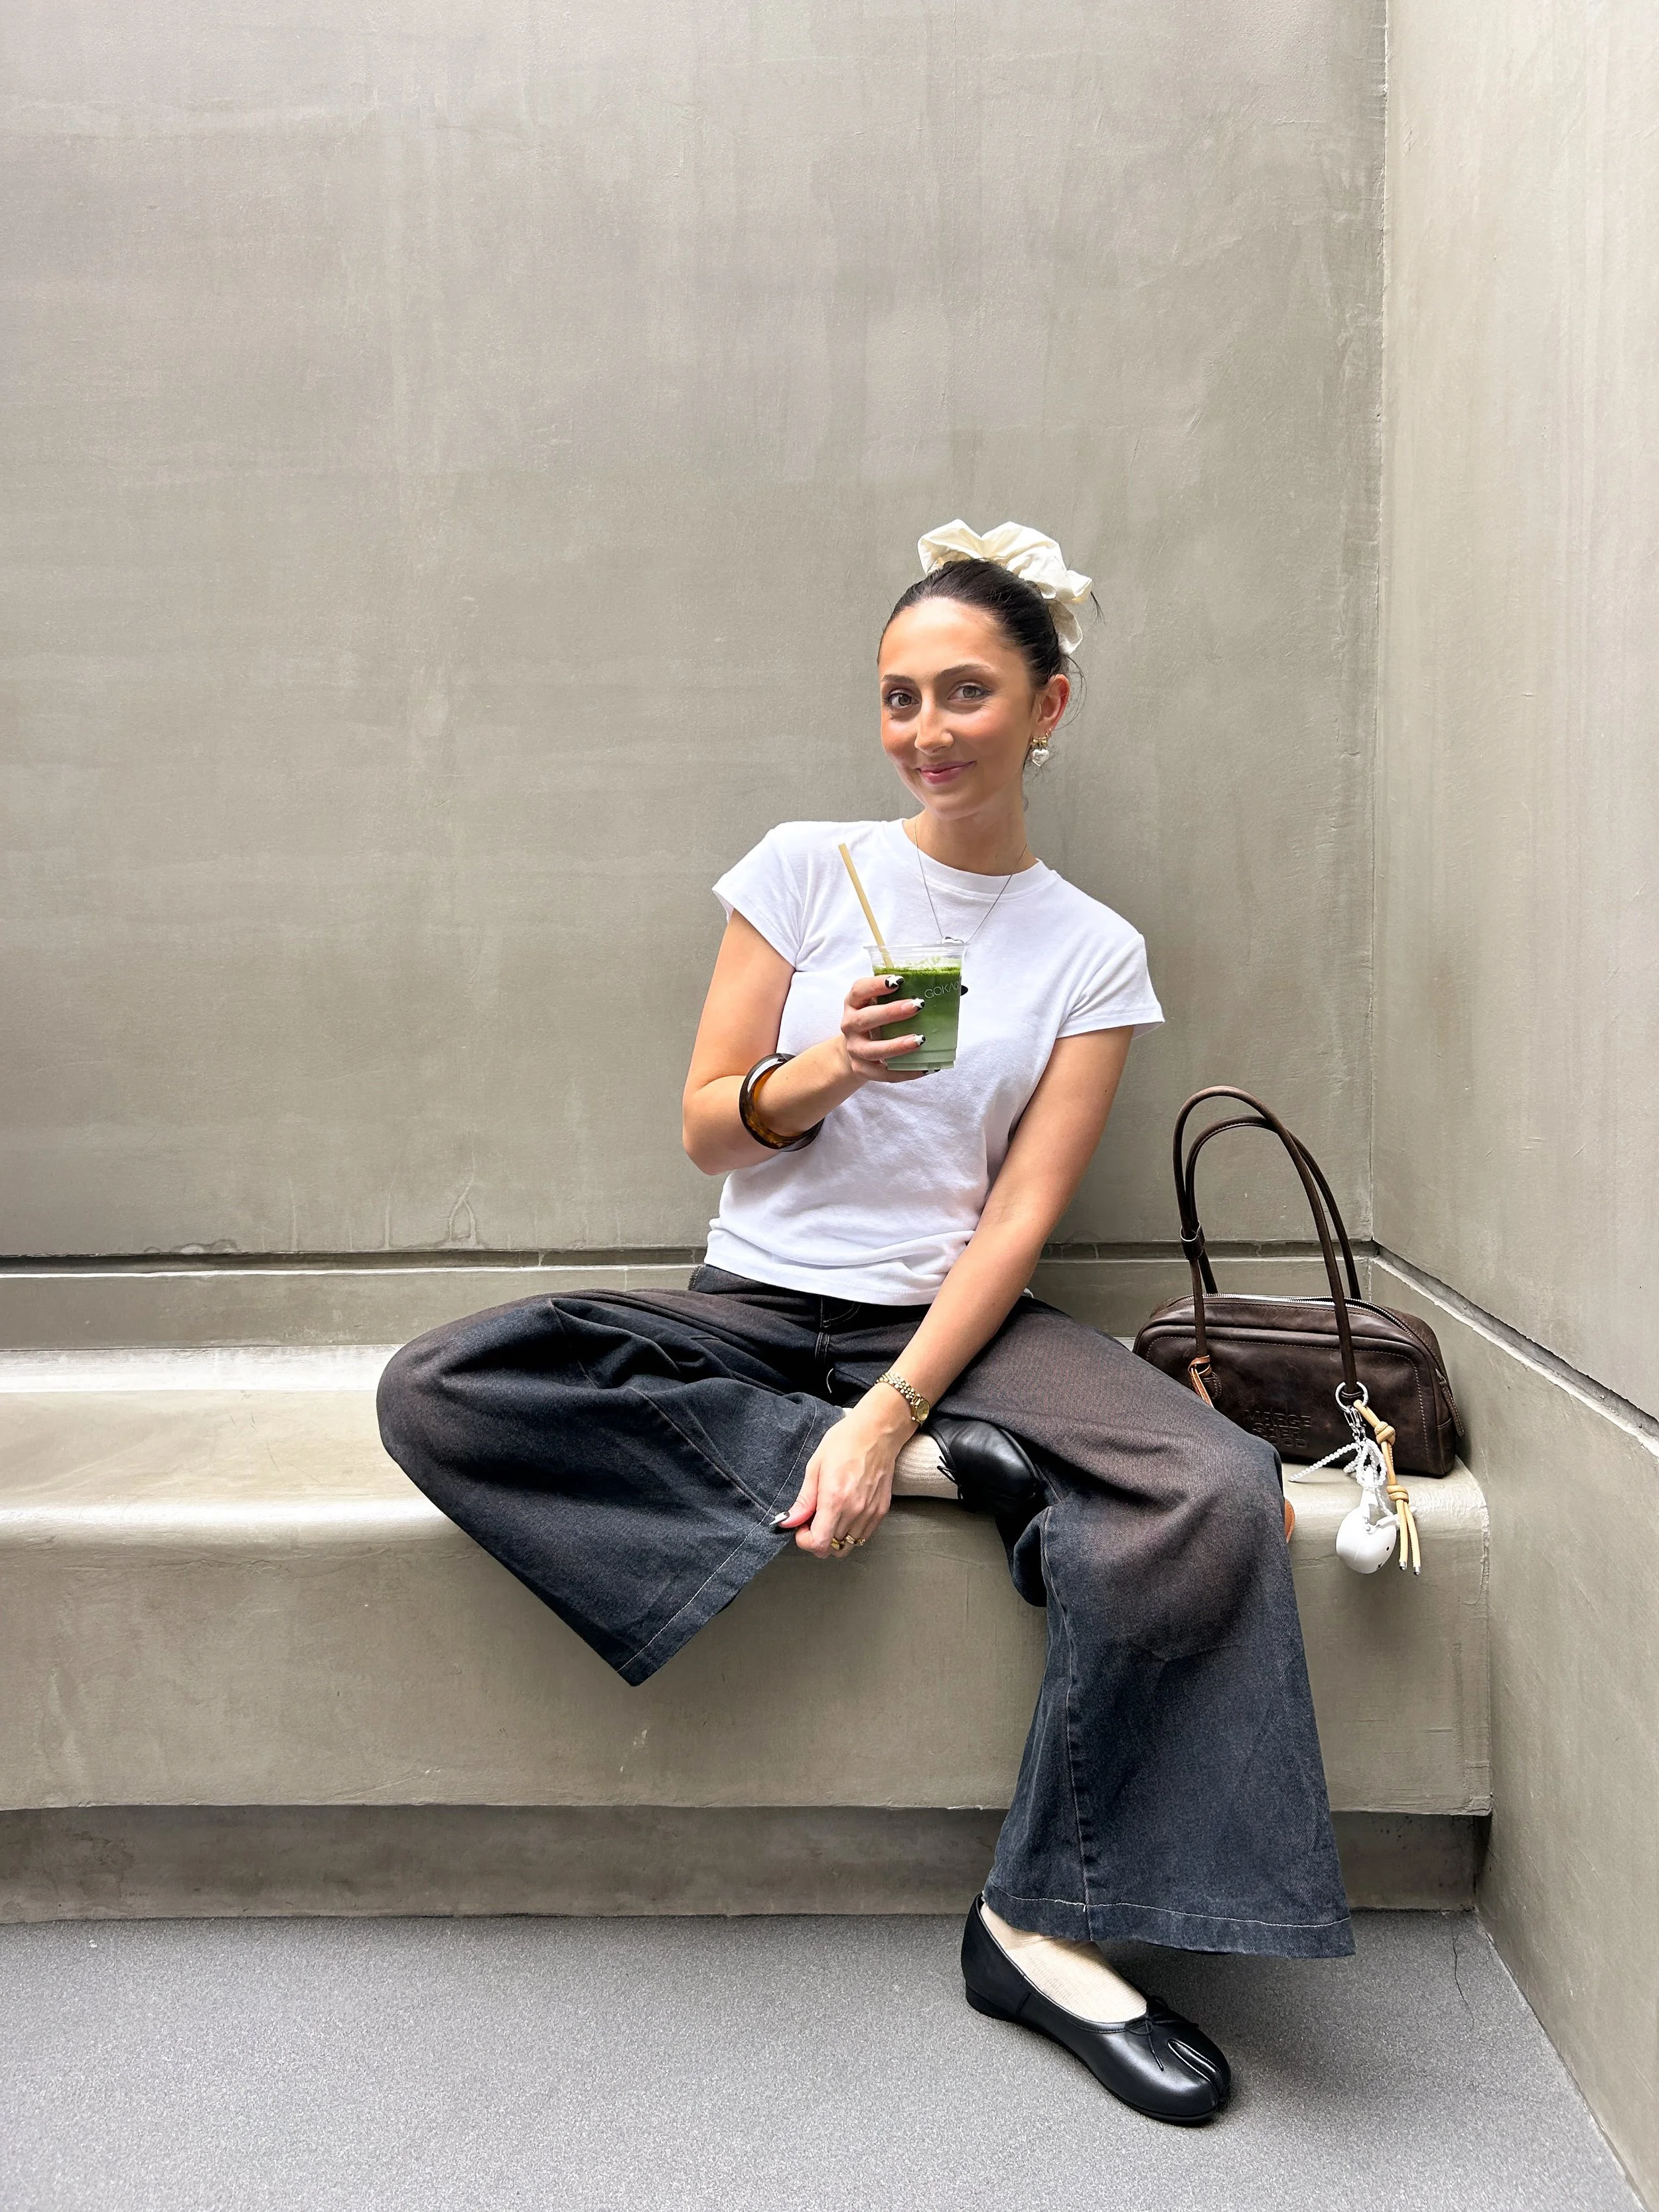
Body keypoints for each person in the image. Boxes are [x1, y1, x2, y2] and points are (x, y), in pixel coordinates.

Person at [378, 518, 1353, 2126]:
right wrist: (827, 1067)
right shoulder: (797, 865)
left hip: (953, 1317)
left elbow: (1021, 1214)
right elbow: (703, 1127)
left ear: (1046, 707)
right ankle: (949, 1465)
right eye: (897, 697)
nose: (923, 730)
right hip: (755, 1309)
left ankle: (1036, 1925)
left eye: (963, 692)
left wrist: (896, 1399)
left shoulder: (1089, 949)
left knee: (1213, 1485)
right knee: (444, 1386)